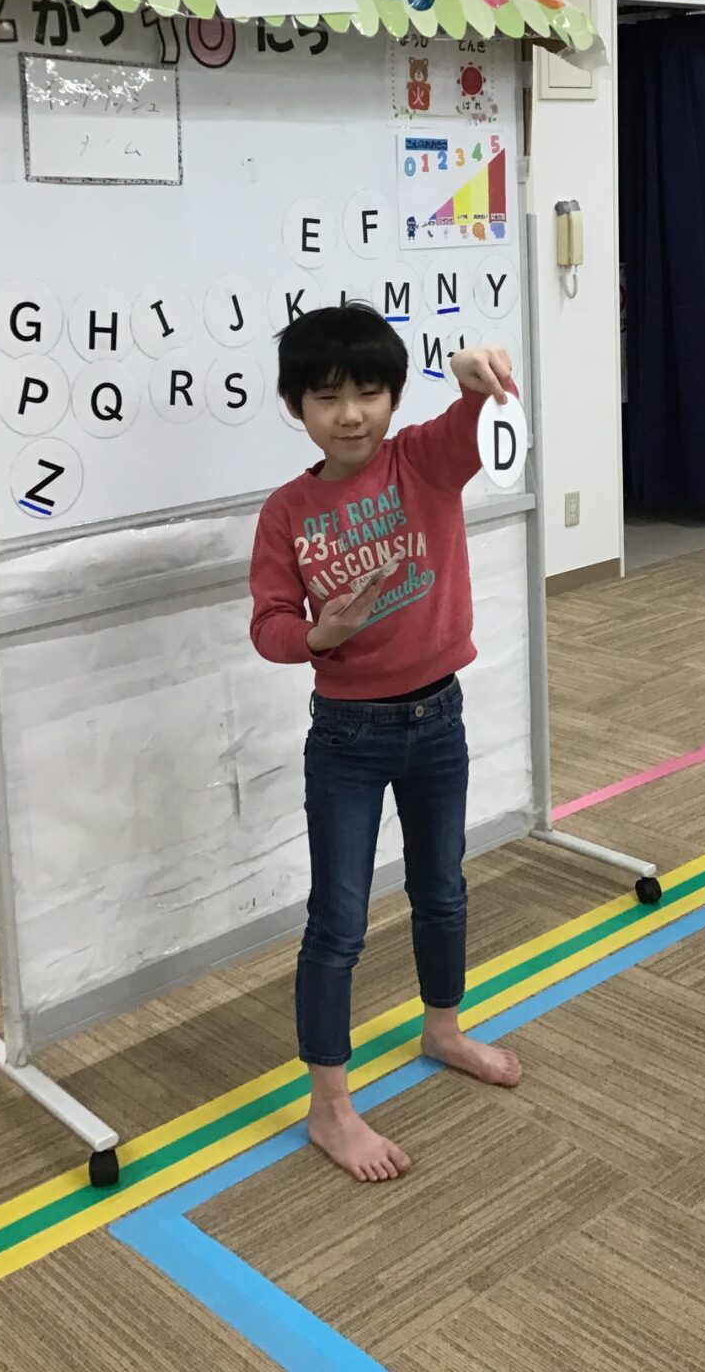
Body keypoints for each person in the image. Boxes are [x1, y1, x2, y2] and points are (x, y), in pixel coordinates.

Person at [249, 303, 522, 1182]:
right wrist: (317, 635)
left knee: (443, 890)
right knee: (338, 921)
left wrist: (475, 381)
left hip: (439, 718)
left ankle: (442, 1028)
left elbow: (472, 424)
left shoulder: (421, 464)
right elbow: (268, 624)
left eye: (369, 392)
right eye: (327, 398)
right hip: (349, 737)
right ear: (296, 407)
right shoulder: (288, 511)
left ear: (395, 397)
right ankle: (329, 1107)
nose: (351, 414)